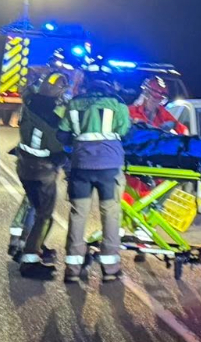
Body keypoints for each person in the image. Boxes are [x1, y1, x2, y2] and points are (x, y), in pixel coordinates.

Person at [58, 77, 131, 283]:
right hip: (109, 168)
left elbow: (62, 135)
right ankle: (110, 269)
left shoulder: (74, 103)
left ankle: (72, 268)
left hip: (81, 166)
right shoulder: (117, 103)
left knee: (78, 214)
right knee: (110, 215)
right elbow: (125, 132)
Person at [13, 73, 70, 275]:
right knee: (45, 216)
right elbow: (58, 146)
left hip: (24, 167)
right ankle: (30, 261)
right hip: (41, 172)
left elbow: (27, 91)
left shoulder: (30, 102)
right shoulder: (52, 118)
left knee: (34, 209)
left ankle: (28, 245)